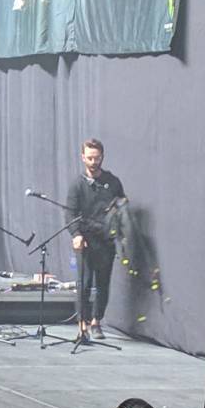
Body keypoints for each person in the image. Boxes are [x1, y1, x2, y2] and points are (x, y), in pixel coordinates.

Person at [67, 138, 126, 342]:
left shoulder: (113, 182)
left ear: (102, 157)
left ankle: (96, 321)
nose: (94, 162)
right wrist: (76, 234)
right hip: (84, 241)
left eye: (97, 158)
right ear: (83, 157)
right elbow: (70, 213)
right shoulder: (77, 185)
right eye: (90, 158)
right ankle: (82, 325)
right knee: (83, 284)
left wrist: (119, 223)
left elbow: (122, 207)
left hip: (106, 242)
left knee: (103, 284)